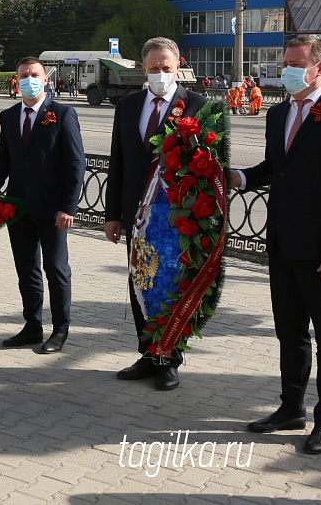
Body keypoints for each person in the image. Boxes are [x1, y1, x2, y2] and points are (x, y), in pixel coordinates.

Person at [229, 36, 321, 455]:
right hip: (283, 244)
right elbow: (275, 168)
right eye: (284, 62)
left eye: (295, 63)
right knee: (289, 333)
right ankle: (291, 407)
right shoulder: (278, 114)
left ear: (320, 69)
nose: (285, 69)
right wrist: (236, 177)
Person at [104, 37, 207, 391]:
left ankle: (170, 358)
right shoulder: (128, 106)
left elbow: (207, 169)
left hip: (175, 217)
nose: (160, 74)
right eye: (153, 68)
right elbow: (117, 162)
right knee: (140, 284)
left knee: (171, 287)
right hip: (136, 216)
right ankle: (148, 354)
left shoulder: (197, 105)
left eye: (166, 67)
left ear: (178, 67)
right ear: (143, 69)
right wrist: (112, 214)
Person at [0, 57, 86, 354]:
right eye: (24, 75)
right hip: (18, 207)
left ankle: (60, 328)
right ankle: (32, 326)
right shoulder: (8, 115)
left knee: (56, 268)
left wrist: (69, 207)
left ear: (45, 79)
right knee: (26, 268)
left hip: (54, 210)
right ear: (17, 81)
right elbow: (6, 159)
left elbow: (75, 164)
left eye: (35, 74)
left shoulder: (63, 114)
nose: (29, 79)